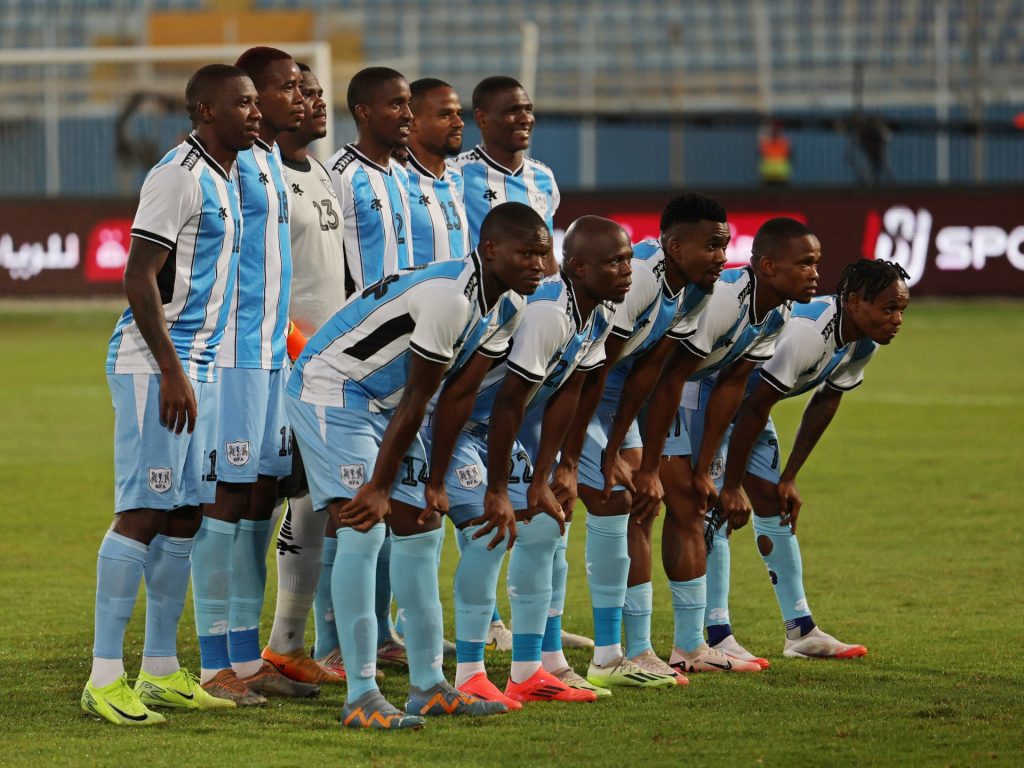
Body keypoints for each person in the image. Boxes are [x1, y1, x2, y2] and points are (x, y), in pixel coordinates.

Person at [286, 202, 548, 730]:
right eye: (527, 254)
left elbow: (457, 397)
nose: (539, 265)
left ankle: (429, 687)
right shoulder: (451, 299)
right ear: (490, 250)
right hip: (334, 388)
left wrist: (435, 480)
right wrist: (380, 487)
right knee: (363, 526)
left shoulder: (508, 305)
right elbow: (418, 397)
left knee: (423, 526)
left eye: (543, 254)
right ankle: (361, 694)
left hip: (386, 404)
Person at [82, 63, 259, 725]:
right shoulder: (177, 175)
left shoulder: (226, 174)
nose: (255, 113)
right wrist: (171, 370)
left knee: (184, 514)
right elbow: (138, 277)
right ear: (206, 111)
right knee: (142, 511)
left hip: (201, 368)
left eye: (255, 102)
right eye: (242, 103)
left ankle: (159, 669)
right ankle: (104, 677)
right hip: (156, 368)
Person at [426, 216, 631, 706]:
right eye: (615, 261)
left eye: (627, 259)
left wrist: (558, 470)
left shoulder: (599, 312)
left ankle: (527, 672)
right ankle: (470, 674)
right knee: (490, 530)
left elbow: (571, 392)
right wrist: (501, 489)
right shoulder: (548, 314)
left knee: (542, 527)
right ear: (579, 268)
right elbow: (509, 402)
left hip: (492, 428)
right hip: (448, 425)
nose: (627, 270)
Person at [622, 217, 822, 677]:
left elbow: (731, 386)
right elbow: (671, 376)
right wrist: (652, 464)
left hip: (682, 394)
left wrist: (707, 469)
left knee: (690, 506)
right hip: (650, 393)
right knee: (655, 508)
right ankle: (645, 646)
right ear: (768, 266)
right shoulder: (724, 300)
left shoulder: (778, 312)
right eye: (805, 263)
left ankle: (693, 645)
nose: (815, 273)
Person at [552, 193, 729, 691]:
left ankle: (637, 651)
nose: (721, 257)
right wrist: (601, 454)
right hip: (573, 387)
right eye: (711, 246)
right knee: (583, 505)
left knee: (638, 502)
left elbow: (659, 376)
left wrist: (649, 465)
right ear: (674, 247)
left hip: (614, 397)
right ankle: (582, 653)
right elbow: (595, 364)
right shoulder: (640, 277)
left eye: (725, 245)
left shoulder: (695, 290)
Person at [190, 46, 311, 706]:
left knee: (259, 501)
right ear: (252, 95)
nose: (300, 96)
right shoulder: (225, 165)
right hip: (231, 357)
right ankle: (214, 665)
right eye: (287, 87)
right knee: (225, 501)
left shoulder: (265, 159)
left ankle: (245, 653)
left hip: (268, 356)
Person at [713, 258, 909, 658]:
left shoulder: (863, 342)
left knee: (775, 505)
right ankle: (716, 635)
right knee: (712, 510)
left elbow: (827, 400)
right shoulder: (809, 332)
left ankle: (801, 631)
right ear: (854, 302)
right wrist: (731, 485)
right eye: (889, 308)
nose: (897, 320)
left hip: (749, 410)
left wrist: (789, 476)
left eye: (902, 310)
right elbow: (756, 404)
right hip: (710, 403)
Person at [259, 63, 347, 687]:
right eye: (300, 91)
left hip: (326, 365)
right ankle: (234, 650)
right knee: (254, 504)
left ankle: (285, 643)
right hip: (281, 362)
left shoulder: (319, 172)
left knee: (312, 499)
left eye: (317, 93)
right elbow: (264, 279)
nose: (314, 102)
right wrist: (301, 349)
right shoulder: (262, 175)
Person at [454, 75, 560, 277]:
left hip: (534, 295)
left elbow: (547, 256)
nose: (525, 119)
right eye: (512, 111)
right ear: (482, 118)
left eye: (528, 109)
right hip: (477, 294)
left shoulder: (543, 176)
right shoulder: (455, 173)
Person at [326, 66, 414, 292]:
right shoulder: (339, 174)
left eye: (408, 103)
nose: (408, 114)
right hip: (363, 312)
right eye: (396, 104)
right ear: (364, 113)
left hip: (404, 306)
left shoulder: (400, 173)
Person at [405, 78, 471, 264]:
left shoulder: (455, 178)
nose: (459, 123)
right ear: (412, 122)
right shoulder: (396, 180)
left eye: (459, 114)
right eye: (445, 115)